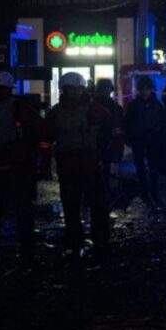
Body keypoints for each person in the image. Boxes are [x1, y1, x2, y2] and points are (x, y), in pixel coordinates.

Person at [45, 72, 115, 261]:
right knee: (74, 207)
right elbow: (47, 136)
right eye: (71, 89)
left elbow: (108, 132)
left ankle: (94, 242)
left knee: (94, 206)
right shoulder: (59, 112)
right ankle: (82, 242)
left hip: (87, 166)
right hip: (73, 168)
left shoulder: (93, 110)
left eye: (77, 89)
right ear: (64, 90)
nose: (75, 92)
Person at [0, 71, 44, 257]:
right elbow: (40, 127)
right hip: (15, 167)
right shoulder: (17, 106)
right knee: (23, 211)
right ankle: (27, 250)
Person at [124, 76, 165, 205]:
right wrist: (129, 137)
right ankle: (144, 193)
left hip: (153, 140)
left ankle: (154, 192)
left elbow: (163, 121)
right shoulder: (134, 105)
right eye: (142, 89)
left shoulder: (157, 105)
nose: (145, 91)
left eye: (147, 88)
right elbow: (128, 123)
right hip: (139, 140)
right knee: (140, 167)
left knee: (153, 167)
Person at [92, 78, 125, 191]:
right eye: (104, 89)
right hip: (98, 142)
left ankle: (107, 190)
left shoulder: (116, 107)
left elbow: (120, 123)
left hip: (110, 143)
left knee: (109, 168)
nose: (106, 92)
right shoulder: (92, 107)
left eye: (107, 89)